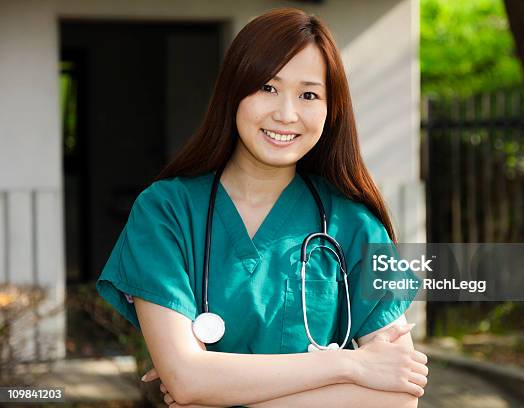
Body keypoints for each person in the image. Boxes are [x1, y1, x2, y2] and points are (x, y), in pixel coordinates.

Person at [96, 7, 427, 408]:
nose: (285, 114)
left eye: (308, 94)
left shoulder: (354, 225)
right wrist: (349, 366)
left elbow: (398, 397)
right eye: (268, 88)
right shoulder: (165, 211)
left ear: (330, 109)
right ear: (234, 92)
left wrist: (215, 394)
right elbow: (185, 379)